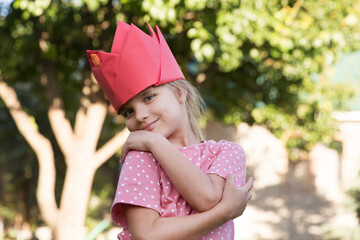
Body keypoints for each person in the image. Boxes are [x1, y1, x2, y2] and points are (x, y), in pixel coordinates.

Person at [87, 20, 253, 240]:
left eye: (149, 97)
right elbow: (147, 234)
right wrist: (224, 213)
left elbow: (207, 198)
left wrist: (157, 144)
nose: (140, 115)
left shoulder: (226, 153)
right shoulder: (140, 157)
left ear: (179, 93)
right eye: (128, 112)